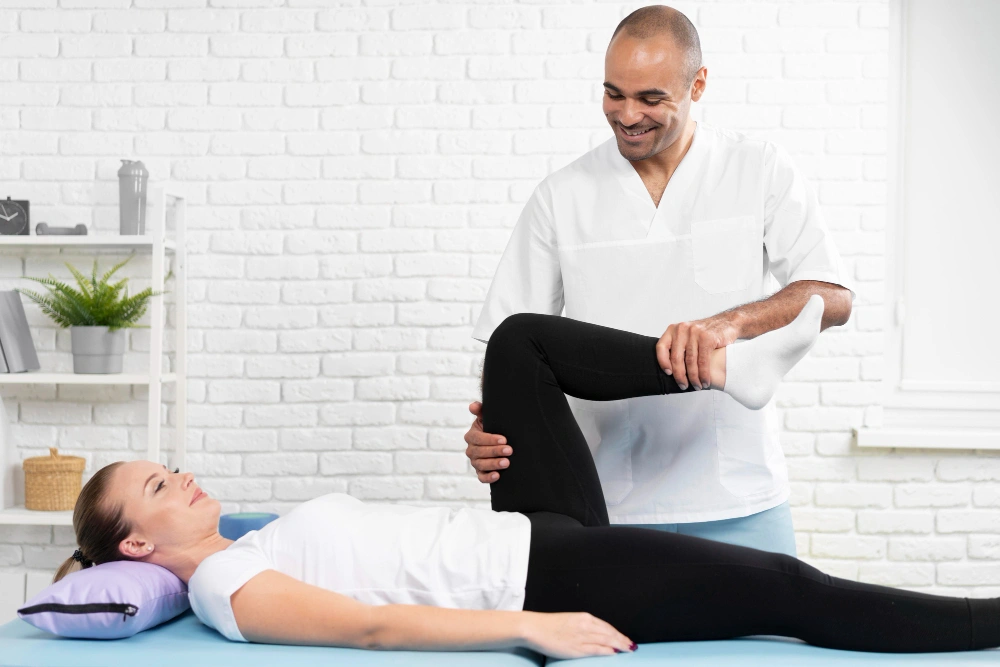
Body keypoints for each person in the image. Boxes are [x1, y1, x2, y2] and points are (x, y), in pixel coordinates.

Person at [54, 298, 1000, 658]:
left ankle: (719, 361)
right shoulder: (224, 584)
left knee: (521, 342)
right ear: (137, 544)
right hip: (540, 576)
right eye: (158, 485)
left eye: (170, 466)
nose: (181, 477)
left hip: (526, 530)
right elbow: (375, 626)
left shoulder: (244, 540)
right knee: (789, 591)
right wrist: (529, 624)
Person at [464, 5, 855, 557]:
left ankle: (731, 366)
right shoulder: (563, 195)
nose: (627, 115)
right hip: (608, 503)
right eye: (612, 93)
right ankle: (728, 372)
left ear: (698, 83)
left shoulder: (757, 168)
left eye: (650, 99)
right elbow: (505, 340)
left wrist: (731, 324)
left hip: (738, 495)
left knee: (777, 631)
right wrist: (496, 430)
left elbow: (833, 297)